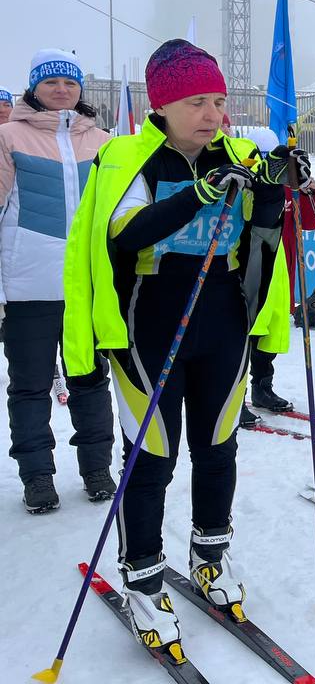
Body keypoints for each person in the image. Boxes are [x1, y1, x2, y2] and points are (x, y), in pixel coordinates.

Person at [62, 39, 298, 650]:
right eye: (197, 101)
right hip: (148, 324)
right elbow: (121, 234)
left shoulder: (241, 154)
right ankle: (142, 577)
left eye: (219, 100)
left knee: (217, 448)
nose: (212, 113)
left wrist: (276, 188)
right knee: (152, 457)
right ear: (162, 106)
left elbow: (263, 241)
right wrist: (196, 193)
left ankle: (210, 556)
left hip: (222, 320)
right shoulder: (127, 159)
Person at [0, 50, 115, 514]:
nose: (62, 90)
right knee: (28, 386)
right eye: (50, 83)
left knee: (90, 381)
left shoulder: (104, 141)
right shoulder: (9, 136)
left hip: (85, 289)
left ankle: (96, 470)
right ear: (34, 88)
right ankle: (37, 477)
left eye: (69, 82)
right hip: (29, 286)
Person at [233, 127, 315, 428]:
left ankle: (262, 387)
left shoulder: (289, 185)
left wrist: (309, 187)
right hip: (249, 268)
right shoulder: (247, 185)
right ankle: (234, 397)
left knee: (272, 331)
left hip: (280, 269)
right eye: (261, 159)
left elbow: (313, 221)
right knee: (244, 332)